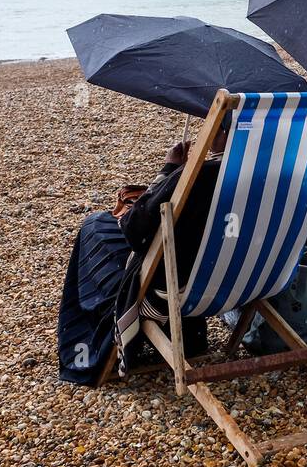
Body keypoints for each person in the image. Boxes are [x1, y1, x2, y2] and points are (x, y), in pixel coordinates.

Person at [58, 128, 228, 385]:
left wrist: (169, 170)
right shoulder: (292, 174)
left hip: (174, 292)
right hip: (248, 284)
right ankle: (188, 334)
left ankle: (104, 333)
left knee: (95, 225)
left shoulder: (200, 174)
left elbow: (134, 230)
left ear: (225, 130)